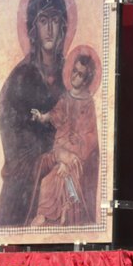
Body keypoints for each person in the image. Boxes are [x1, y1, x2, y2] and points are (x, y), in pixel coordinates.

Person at [0, 0, 69, 226]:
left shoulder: (72, 74)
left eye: (55, 21)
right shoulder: (19, 79)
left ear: (63, 27)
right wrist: (48, 159)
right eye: (43, 21)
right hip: (25, 193)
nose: (49, 29)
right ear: (33, 28)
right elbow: (15, 151)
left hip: (63, 176)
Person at [28, 52, 99, 226]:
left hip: (76, 156)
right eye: (74, 71)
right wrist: (41, 117)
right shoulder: (65, 98)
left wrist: (70, 158)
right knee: (44, 174)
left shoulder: (88, 103)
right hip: (60, 151)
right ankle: (50, 214)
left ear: (86, 80)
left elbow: (90, 136)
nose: (75, 76)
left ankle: (48, 215)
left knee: (52, 180)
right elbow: (54, 115)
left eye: (80, 74)